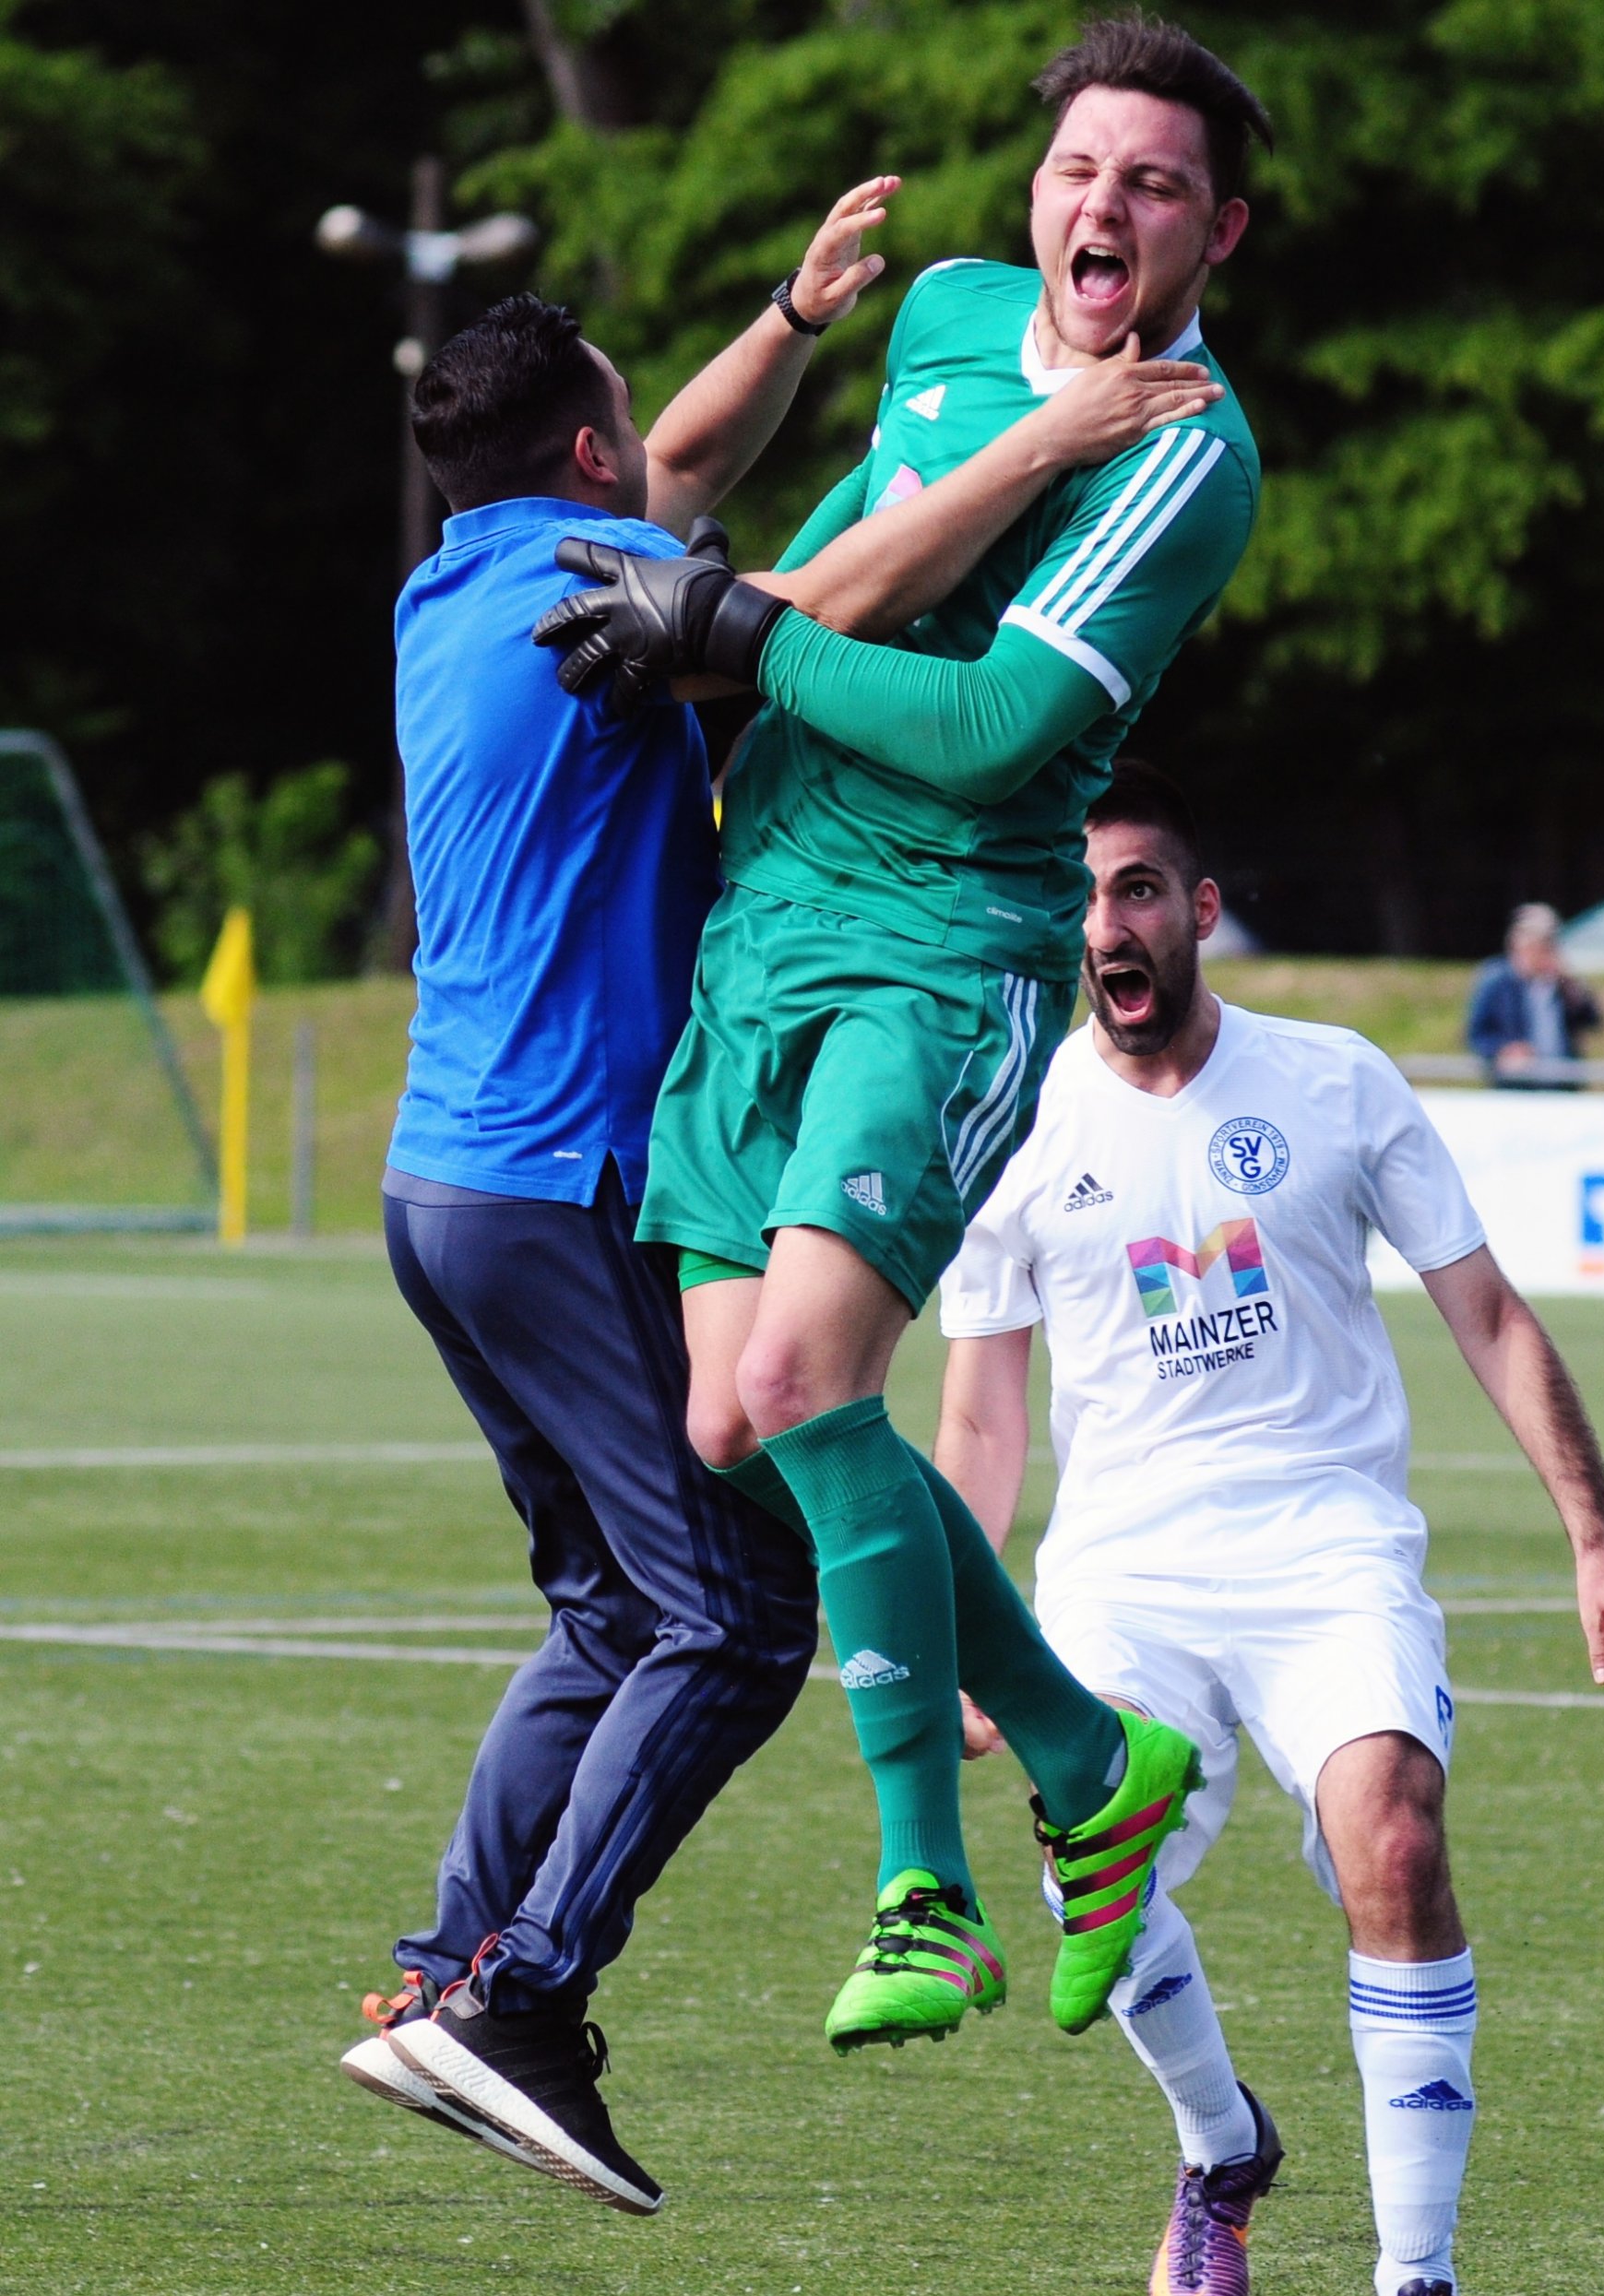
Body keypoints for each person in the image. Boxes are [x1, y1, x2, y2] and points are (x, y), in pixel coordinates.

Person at [344, 184, 1224, 2199]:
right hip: (568, 1171)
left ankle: (442, 1969)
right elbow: (809, 598)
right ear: (585, 453)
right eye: (628, 425)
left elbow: (678, 475)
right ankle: (524, 2004)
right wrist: (1035, 443)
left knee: (613, 1591)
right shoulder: (610, 601)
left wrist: (793, 317)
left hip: (437, 1184)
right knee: (736, 1606)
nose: (662, 452)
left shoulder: (463, 584)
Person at [532, 15, 1269, 2063]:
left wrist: (742, 635)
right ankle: (1088, 1750)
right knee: (732, 1424)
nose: (1101, 205)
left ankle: (924, 1881)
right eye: (1078, 170)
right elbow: (853, 544)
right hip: (766, 912)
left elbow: (992, 733)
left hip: (944, 938)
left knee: (792, 1369)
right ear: (1034, 195)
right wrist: (733, 610)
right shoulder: (947, 314)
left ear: (1219, 226)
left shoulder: (1187, 444)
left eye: (1151, 182)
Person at [934, 759, 1604, 2296]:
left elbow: (1490, 1315)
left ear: (1198, 912)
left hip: (1328, 1552)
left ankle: (1418, 2276)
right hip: (1122, 1576)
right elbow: (983, 1414)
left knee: (1395, 1841)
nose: (1107, 924)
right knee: (1092, 1886)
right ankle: (1221, 2148)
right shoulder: (1005, 1118)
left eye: (1137, 888)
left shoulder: (1335, 1080)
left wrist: (1595, 1543)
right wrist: (969, 1636)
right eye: (1080, 897)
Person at [1466, 903, 1603, 1084]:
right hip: (1517, 1085)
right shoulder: (1496, 980)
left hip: (1562, 1083)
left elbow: (1593, 1020)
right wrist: (1503, 1050)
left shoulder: (1560, 981)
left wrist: (1569, 985)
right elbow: (1477, 1034)